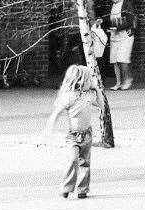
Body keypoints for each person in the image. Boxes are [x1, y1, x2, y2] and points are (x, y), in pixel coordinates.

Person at [42, 45, 103, 199]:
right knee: (73, 159)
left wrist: (97, 90)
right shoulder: (69, 97)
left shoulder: (88, 95)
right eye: (90, 80)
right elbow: (56, 113)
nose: (92, 81)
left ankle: (83, 189)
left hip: (87, 134)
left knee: (85, 162)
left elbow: (101, 106)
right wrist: (49, 129)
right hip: (73, 136)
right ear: (81, 81)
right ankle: (67, 187)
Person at [104, 0, 137, 89]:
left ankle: (127, 79)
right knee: (114, 60)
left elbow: (130, 20)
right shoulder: (112, 6)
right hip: (114, 36)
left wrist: (118, 28)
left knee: (123, 59)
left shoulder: (127, 4)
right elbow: (109, 19)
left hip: (125, 35)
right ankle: (118, 82)